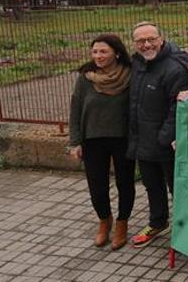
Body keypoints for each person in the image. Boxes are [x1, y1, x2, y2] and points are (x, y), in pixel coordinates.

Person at [127, 22, 188, 248]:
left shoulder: (174, 68)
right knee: (151, 185)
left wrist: (164, 138)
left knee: (178, 189)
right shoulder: (136, 64)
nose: (146, 44)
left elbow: (178, 108)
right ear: (134, 44)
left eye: (151, 39)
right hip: (142, 140)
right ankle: (157, 222)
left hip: (167, 143)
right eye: (140, 41)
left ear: (161, 39)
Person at [68, 34, 135, 250]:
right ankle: (105, 221)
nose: (98, 56)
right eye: (95, 51)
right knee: (97, 186)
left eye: (103, 51)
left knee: (125, 183)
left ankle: (122, 223)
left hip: (123, 138)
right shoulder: (86, 77)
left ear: (116, 52)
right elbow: (75, 110)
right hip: (92, 140)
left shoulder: (130, 75)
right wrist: (75, 141)